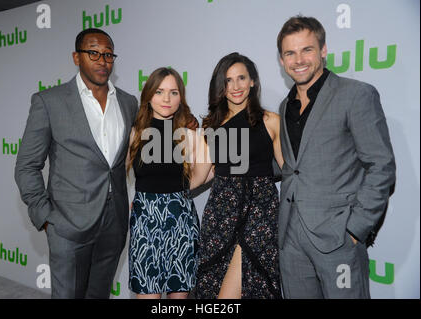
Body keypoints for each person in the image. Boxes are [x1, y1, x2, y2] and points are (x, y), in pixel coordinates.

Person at [276, 16, 396, 298]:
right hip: (291, 239)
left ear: (324, 50)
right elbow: (292, 166)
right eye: (290, 53)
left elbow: (381, 166)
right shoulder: (284, 107)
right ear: (281, 60)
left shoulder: (355, 95)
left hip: (337, 239)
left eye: (307, 49)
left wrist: (354, 230)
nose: (299, 60)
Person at [14, 28, 138, 298]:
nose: (102, 61)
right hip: (67, 227)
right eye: (93, 53)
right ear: (76, 57)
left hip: (114, 224)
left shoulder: (128, 103)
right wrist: (46, 217)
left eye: (108, 55)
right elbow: (26, 165)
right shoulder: (49, 101)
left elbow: (131, 156)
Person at [191, 52, 284, 299]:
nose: (235, 87)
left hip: (260, 215)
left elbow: (292, 172)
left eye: (241, 78)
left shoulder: (271, 121)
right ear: (220, 86)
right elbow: (199, 176)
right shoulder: (210, 126)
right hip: (220, 215)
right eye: (228, 80)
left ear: (252, 81)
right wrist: (157, 193)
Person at [126, 67, 200, 299]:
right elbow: (116, 174)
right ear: (148, 95)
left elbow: (204, 173)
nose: (167, 99)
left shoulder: (188, 134)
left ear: (181, 97)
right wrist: (133, 202)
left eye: (173, 92)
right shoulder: (135, 133)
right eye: (159, 92)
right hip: (145, 223)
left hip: (182, 222)